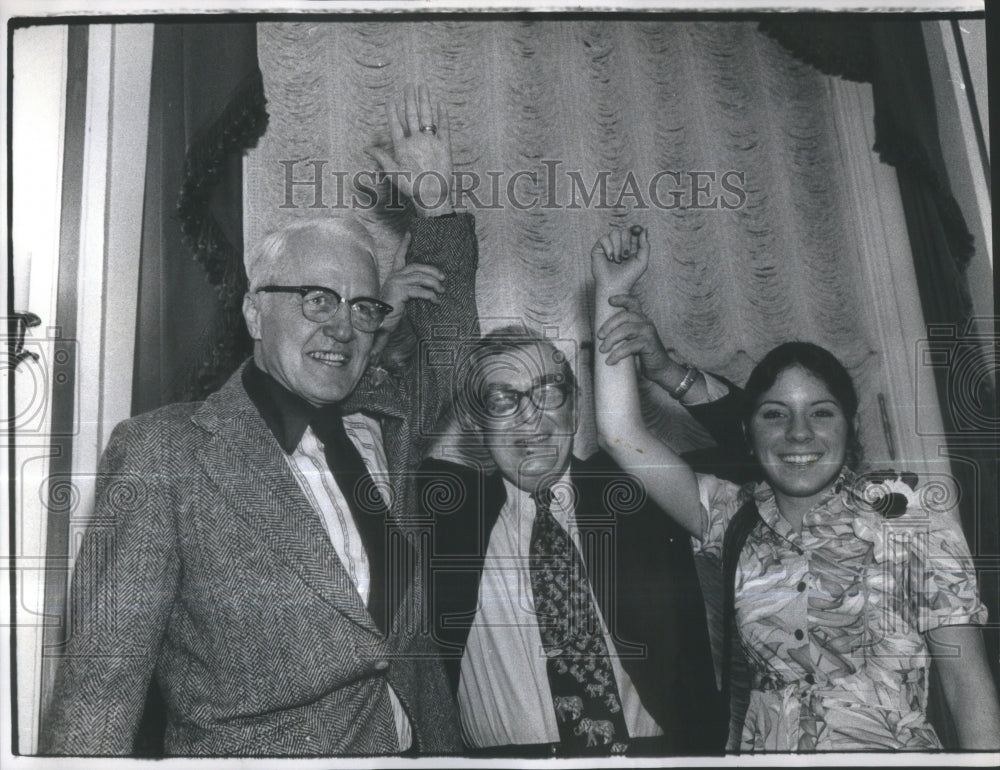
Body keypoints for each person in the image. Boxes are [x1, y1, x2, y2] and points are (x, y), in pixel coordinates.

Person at [41, 85, 477, 756]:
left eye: (364, 307)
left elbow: (447, 348)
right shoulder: (165, 454)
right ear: (253, 312)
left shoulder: (384, 423)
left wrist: (435, 205)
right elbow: (100, 693)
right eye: (316, 298)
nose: (343, 326)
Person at [589, 226, 1000, 751]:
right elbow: (621, 432)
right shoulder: (730, 514)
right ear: (748, 430)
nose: (799, 434)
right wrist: (611, 291)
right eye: (775, 415)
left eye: (821, 413)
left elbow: (967, 685)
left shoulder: (905, 511)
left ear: (850, 426)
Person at [418, 325, 730, 757]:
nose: (530, 417)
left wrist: (667, 371)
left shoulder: (637, 494)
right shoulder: (445, 514)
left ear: (578, 406)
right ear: (476, 422)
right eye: (503, 400)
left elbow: (762, 454)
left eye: (548, 392)